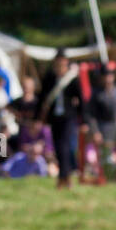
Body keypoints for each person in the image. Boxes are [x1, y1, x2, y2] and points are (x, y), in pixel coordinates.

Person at [38, 50, 85, 188]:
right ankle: (64, 177)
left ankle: (64, 177)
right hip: (54, 118)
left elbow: (81, 100)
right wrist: (37, 118)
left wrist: (83, 120)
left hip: (68, 117)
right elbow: (42, 98)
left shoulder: (72, 79)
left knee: (65, 147)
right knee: (58, 147)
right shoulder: (50, 79)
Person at [87, 68, 116, 183]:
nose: (108, 79)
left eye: (110, 76)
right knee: (107, 158)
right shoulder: (96, 94)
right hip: (105, 126)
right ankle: (111, 179)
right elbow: (91, 115)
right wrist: (95, 131)